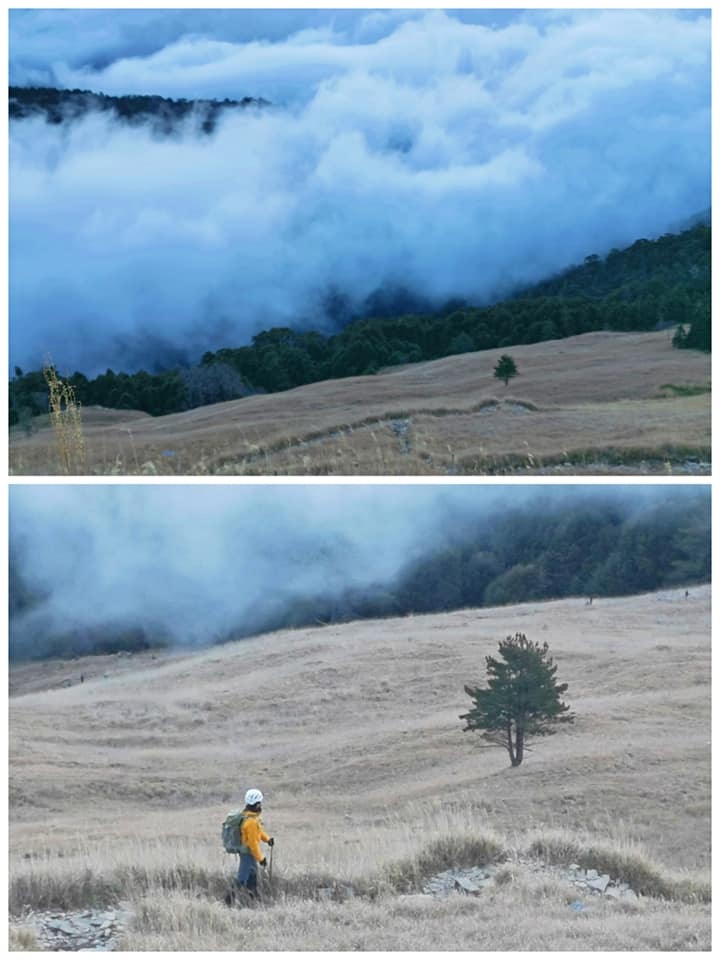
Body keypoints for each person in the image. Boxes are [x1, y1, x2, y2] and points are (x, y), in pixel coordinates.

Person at [235, 788, 274, 898]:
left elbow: (259, 832)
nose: (261, 805)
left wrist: (267, 839)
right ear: (256, 804)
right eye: (260, 803)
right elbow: (253, 844)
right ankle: (228, 901)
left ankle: (254, 900)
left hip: (248, 853)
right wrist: (261, 859)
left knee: (252, 878)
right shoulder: (251, 822)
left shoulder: (249, 817)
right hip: (247, 853)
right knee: (241, 879)